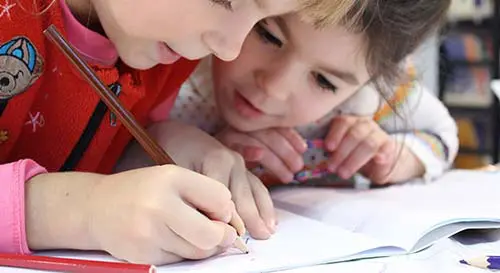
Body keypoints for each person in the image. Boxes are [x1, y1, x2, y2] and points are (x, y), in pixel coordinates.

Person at [0, 0, 354, 265]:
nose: (229, 49)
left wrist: (155, 144)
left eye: (259, 20)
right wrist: (81, 211)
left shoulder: (164, 54)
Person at [118, 0, 458, 241]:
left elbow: (441, 133)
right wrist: (170, 142)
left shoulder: (367, 102)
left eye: (324, 82)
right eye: (268, 36)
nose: (275, 87)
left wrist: (398, 158)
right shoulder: (178, 67)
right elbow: (105, 165)